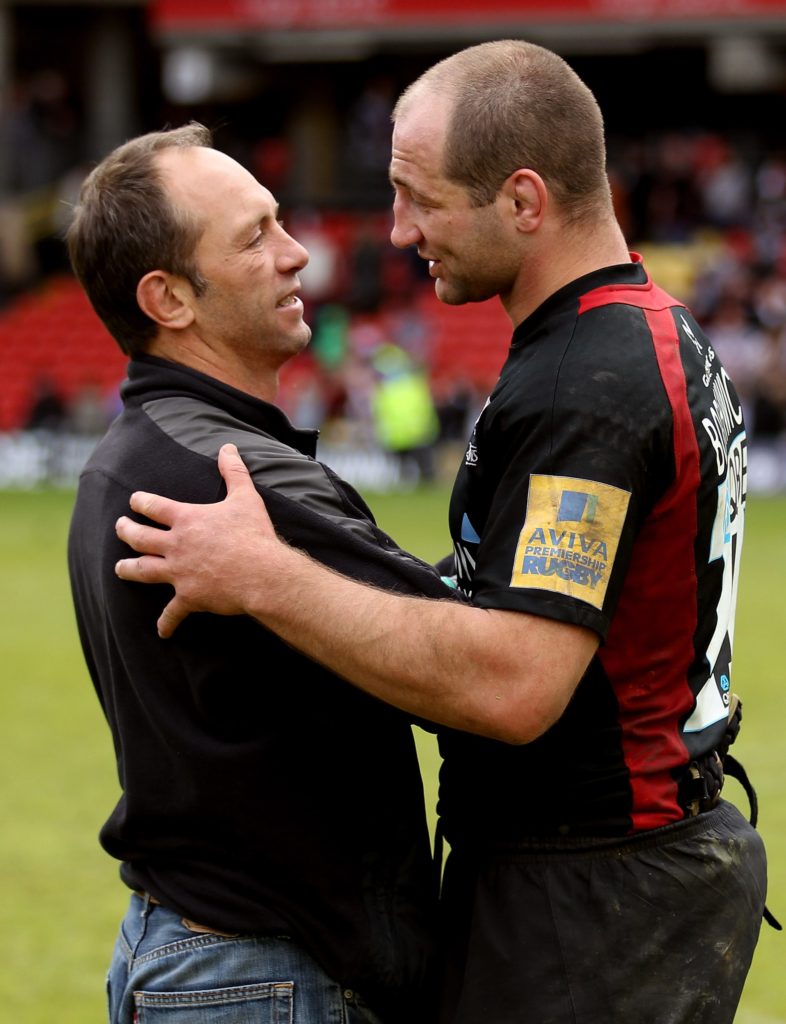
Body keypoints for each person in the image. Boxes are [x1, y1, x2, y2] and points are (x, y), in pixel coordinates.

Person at [115, 42, 771, 1024]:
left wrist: (268, 577)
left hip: (587, 893)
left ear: (522, 201)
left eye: (418, 197)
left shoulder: (583, 385)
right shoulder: (634, 331)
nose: (397, 229)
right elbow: (507, 593)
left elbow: (514, 683)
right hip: (625, 866)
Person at [65, 123, 467, 1024]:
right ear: (168, 297)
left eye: (279, 223)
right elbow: (465, 656)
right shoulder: (223, 477)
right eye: (254, 237)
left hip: (213, 959)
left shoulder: (135, 453)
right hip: (266, 976)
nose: (297, 255)